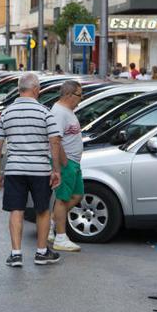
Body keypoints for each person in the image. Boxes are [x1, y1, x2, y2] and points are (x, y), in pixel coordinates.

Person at [0, 73, 63, 267]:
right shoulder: (45, 112)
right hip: (40, 170)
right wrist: (56, 170)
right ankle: (41, 252)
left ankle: (15, 254)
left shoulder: (7, 113)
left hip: (15, 169)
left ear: (19, 89)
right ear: (36, 89)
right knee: (42, 210)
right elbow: (55, 141)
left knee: (16, 210)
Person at [48, 81, 84, 252]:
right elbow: (55, 140)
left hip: (73, 162)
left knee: (77, 195)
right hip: (67, 162)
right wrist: (63, 163)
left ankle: (51, 223)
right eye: (79, 94)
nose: (81, 98)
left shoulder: (67, 111)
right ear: (69, 95)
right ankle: (60, 237)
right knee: (62, 199)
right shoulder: (59, 113)